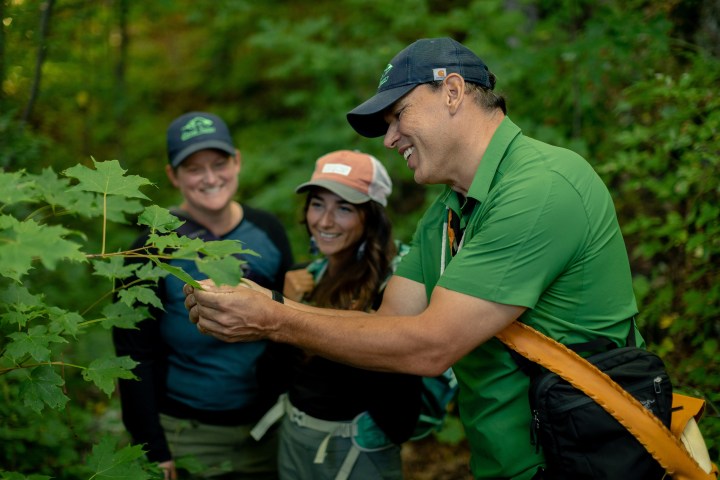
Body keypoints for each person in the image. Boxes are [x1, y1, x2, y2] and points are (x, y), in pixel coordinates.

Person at [183, 38, 640, 480]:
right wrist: (265, 302)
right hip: (507, 462)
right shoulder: (446, 212)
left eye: (398, 116)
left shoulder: (540, 189)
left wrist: (272, 319)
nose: (389, 139)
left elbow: (429, 345)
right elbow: (390, 325)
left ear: (454, 92)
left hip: (583, 463)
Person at [113, 111, 293, 480]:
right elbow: (133, 358)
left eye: (219, 163)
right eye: (194, 168)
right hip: (186, 438)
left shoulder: (268, 232)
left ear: (237, 161)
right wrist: (153, 448)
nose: (210, 178)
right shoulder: (149, 250)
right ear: (172, 175)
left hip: (268, 430)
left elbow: (290, 326)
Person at [261, 150, 422, 479]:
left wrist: (361, 324)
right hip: (294, 443)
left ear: (371, 218)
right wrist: (284, 305)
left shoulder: (395, 290)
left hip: (358, 455)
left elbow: (402, 414)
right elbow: (269, 379)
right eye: (318, 204)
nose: (324, 221)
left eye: (344, 208)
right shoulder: (302, 278)